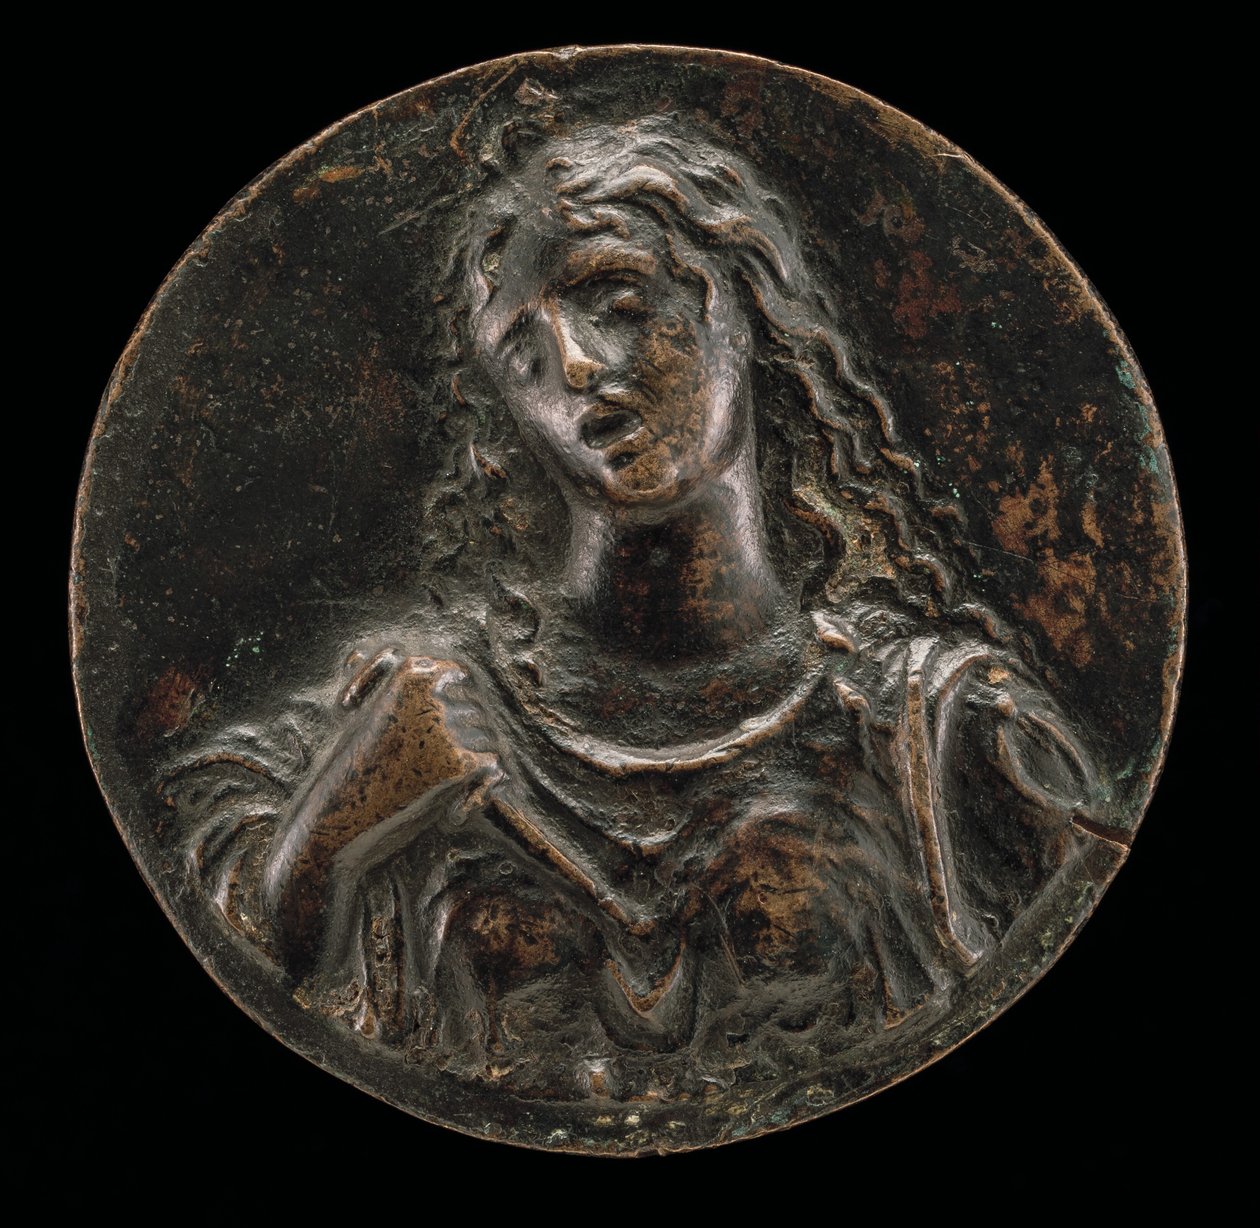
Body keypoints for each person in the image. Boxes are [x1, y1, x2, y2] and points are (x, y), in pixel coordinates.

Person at [164, 113, 1106, 1101]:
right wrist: (328, 838)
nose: (574, 367)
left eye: (616, 301)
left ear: (747, 306)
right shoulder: (391, 726)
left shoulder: (943, 739)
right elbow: (255, 962)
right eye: (522, 349)